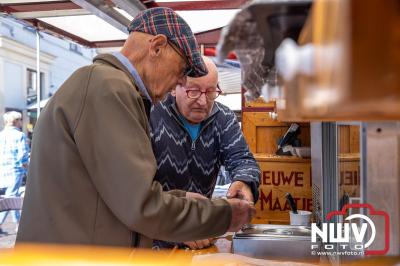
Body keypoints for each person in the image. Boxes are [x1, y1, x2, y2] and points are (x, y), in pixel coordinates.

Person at [16, 7, 255, 248]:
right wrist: (224, 215)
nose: (182, 81)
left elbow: (115, 194)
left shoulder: (110, 86)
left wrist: (182, 199)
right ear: (157, 47)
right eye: (182, 69)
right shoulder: (108, 88)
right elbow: (141, 206)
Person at [151, 57, 260, 249]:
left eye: (211, 92)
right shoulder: (151, 115)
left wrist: (244, 181)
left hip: (201, 233)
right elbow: (138, 191)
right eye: (193, 91)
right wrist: (175, 227)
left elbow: (242, 158)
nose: (202, 101)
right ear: (174, 87)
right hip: (153, 236)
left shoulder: (224, 117)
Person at [0, 111, 30, 234]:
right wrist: (29, 169)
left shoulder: (1, 135)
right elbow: (23, 156)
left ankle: (19, 224)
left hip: (2, 170)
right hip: (15, 170)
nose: (21, 122)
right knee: (10, 199)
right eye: (20, 120)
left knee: (11, 197)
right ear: (16, 121)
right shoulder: (20, 135)